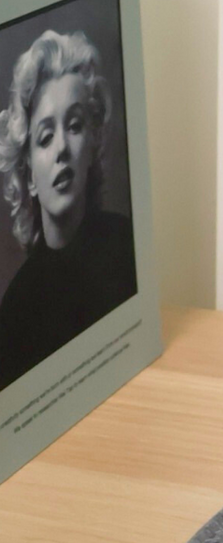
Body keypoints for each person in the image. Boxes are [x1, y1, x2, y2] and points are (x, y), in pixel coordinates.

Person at [0, 28, 137, 390]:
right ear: (28, 175)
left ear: (92, 145)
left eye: (74, 126)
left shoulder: (128, 249)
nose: (61, 147)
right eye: (45, 137)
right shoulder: (14, 312)